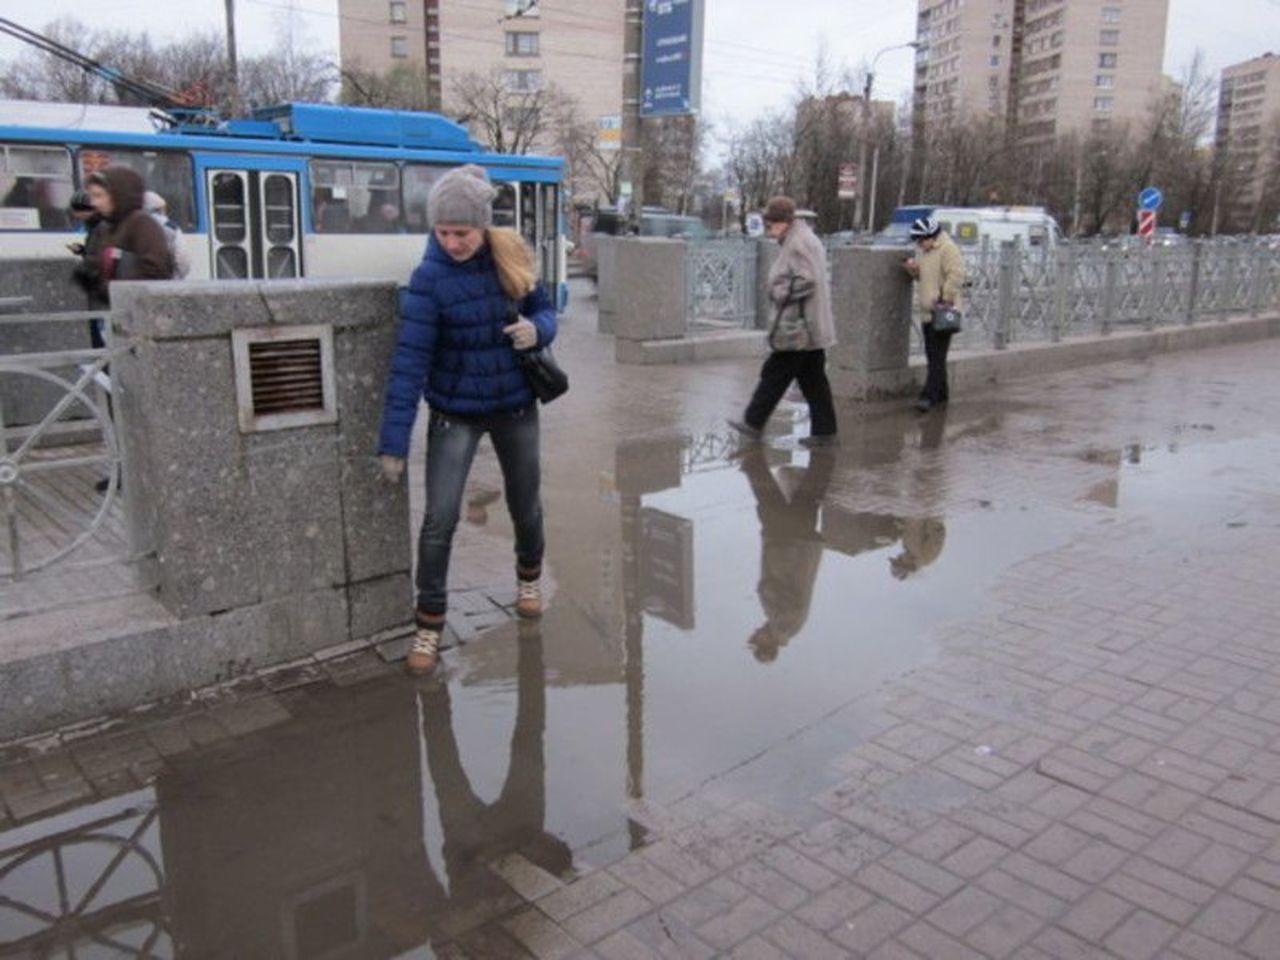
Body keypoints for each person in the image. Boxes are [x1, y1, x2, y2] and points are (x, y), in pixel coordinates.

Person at [378, 164, 557, 677]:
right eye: (443, 232)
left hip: (515, 404)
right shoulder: (429, 279)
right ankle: (429, 626)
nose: (453, 242)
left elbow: (546, 312)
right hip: (454, 411)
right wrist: (393, 443)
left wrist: (536, 330)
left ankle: (529, 578)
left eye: (463, 232)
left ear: (483, 226)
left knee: (526, 503)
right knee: (439, 519)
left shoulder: (511, 257)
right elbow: (409, 361)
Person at [729, 196, 838, 447]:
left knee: (775, 374)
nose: (769, 229)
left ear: (784, 222)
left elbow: (806, 279)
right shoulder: (803, 237)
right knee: (814, 381)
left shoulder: (798, 242)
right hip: (808, 325)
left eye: (771, 224)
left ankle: (753, 423)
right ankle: (825, 432)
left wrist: (778, 292)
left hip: (798, 325)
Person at [739, 444, 835, 662]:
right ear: (768, 644)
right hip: (790, 543)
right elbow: (786, 592)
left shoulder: (782, 626)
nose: (755, 634)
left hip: (796, 543)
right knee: (771, 503)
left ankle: (823, 457)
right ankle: (753, 462)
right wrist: (765, 587)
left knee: (802, 499)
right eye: (758, 639)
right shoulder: (783, 624)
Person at [72, 167, 175, 309]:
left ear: (118, 195)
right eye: (92, 196)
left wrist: (109, 288)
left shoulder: (142, 224)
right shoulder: (104, 227)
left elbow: (156, 272)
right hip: (116, 310)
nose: (94, 203)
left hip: (142, 313)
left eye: (99, 196)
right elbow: (95, 264)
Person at [902, 216, 966, 413]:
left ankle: (928, 396)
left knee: (936, 355)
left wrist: (946, 298)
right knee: (934, 355)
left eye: (921, 239)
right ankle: (942, 394)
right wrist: (913, 270)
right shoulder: (925, 252)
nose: (919, 244)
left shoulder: (948, 249)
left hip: (942, 311)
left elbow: (957, 274)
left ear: (931, 236)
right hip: (928, 312)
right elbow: (924, 277)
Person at [143, 190, 191, 278]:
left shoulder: (133, 226)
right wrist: (177, 277)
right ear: (161, 209)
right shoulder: (171, 229)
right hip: (165, 280)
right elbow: (182, 258)